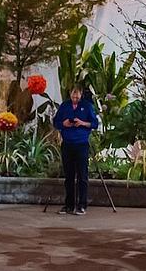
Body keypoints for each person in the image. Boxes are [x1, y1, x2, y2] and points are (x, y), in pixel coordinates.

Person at [53, 84, 98, 215]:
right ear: (70, 94)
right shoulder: (65, 106)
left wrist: (82, 123)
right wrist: (64, 124)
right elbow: (56, 122)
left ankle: (82, 205)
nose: (75, 97)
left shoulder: (87, 106)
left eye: (77, 95)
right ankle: (69, 205)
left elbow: (94, 124)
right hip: (67, 144)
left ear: (81, 94)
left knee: (82, 176)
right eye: (73, 95)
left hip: (81, 144)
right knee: (69, 176)